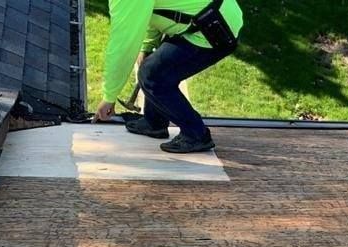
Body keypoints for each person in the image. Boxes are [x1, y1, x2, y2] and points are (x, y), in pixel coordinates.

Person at [94, 0, 244, 153]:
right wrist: (148, 46)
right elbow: (149, 12)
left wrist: (109, 97)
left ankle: (196, 135)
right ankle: (154, 123)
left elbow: (122, 46)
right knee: (155, 68)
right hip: (208, 16)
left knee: (152, 76)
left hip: (215, 27)